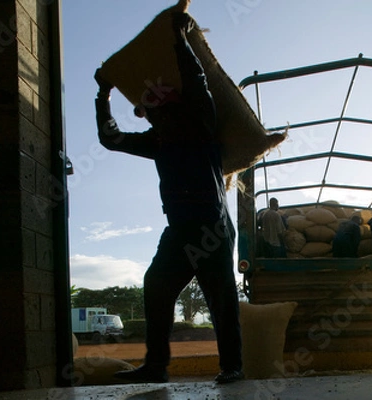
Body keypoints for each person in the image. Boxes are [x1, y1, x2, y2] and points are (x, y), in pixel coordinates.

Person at [94, 13, 243, 384]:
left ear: (173, 109)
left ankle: (232, 366)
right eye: (152, 116)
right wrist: (103, 95)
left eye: (158, 113)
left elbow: (197, 82)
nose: (154, 120)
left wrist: (181, 39)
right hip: (179, 232)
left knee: (221, 298)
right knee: (157, 285)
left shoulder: (201, 126)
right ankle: (157, 365)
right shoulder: (156, 141)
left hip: (213, 227)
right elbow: (110, 138)